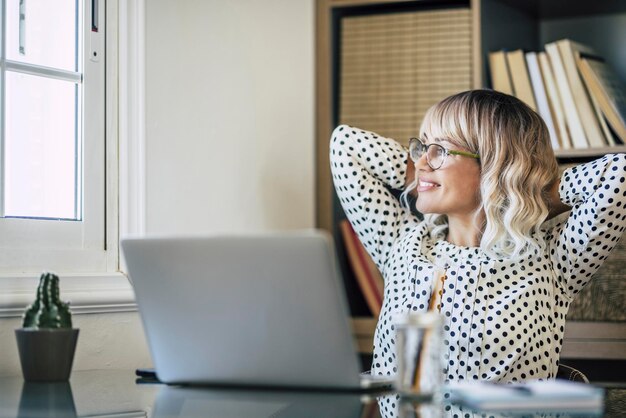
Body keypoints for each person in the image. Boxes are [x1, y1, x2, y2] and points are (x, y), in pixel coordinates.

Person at [330, 90, 626, 387]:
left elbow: (619, 174)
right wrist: (425, 176)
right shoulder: (401, 241)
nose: (420, 161)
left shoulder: (551, 258)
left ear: (494, 165)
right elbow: (345, 145)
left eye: (440, 150)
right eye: (422, 147)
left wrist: (520, 191)